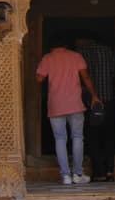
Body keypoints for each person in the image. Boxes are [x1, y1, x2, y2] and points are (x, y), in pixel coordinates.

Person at [35, 41, 102, 185]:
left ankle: (65, 176)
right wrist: (94, 95)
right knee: (78, 137)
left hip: (56, 105)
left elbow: (39, 78)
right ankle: (78, 174)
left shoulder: (48, 58)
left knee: (60, 139)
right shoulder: (76, 56)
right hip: (75, 104)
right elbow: (85, 77)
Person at [75, 34, 115, 182]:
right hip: (108, 100)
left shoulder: (82, 54)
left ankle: (99, 172)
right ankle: (109, 171)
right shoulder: (108, 51)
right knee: (108, 136)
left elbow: (81, 77)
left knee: (93, 137)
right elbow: (114, 74)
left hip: (90, 102)